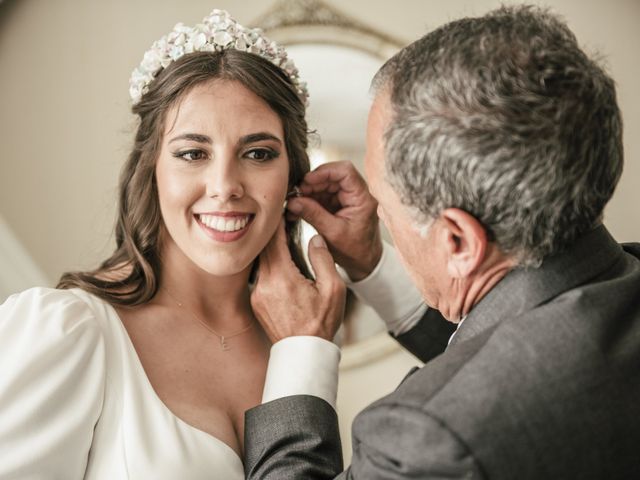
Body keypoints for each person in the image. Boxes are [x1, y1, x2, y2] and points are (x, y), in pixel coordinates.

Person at [243, 5, 640, 479]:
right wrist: (370, 261)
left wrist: (299, 348)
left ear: (457, 241)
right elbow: (518, 349)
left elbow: (493, 393)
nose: (378, 212)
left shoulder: (430, 439)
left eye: (384, 203)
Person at [0, 9, 329, 479]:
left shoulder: (298, 338)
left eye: (258, 154)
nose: (225, 186)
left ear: (291, 174)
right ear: (151, 168)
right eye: (193, 153)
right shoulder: (70, 332)